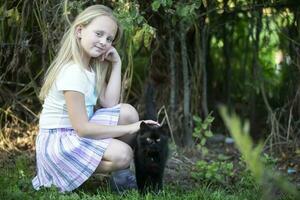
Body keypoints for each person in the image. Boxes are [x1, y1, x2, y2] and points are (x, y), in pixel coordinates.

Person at [32, 4, 159, 193]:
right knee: (123, 155)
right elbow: (83, 129)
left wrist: (116, 64)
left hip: (73, 135)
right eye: (98, 34)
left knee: (127, 112)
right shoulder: (73, 72)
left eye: (109, 39)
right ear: (80, 31)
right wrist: (133, 127)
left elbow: (110, 104)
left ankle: (120, 178)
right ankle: (65, 172)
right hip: (59, 145)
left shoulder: (90, 69)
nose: (103, 42)